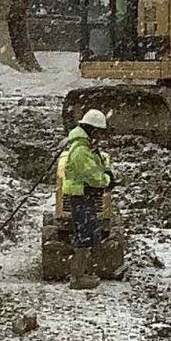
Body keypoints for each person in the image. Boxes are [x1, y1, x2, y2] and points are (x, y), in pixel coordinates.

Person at [55, 109, 114, 289]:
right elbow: (92, 175)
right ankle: (77, 278)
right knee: (84, 236)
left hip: (84, 194)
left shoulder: (83, 146)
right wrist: (107, 180)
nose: (100, 136)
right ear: (91, 129)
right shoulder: (81, 149)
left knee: (88, 234)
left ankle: (84, 273)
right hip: (81, 195)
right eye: (98, 131)